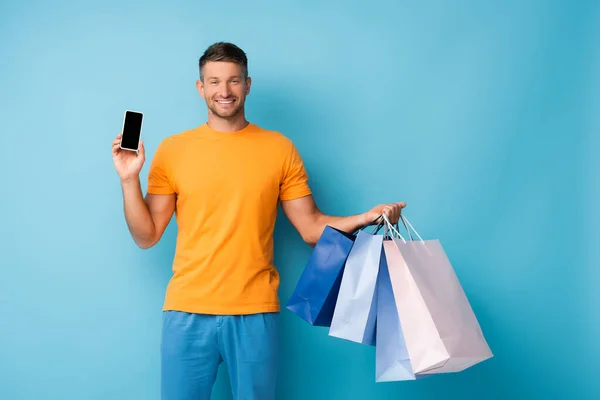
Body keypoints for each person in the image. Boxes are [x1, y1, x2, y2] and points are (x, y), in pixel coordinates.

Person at [111, 42, 406, 400]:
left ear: (247, 85)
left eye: (233, 81)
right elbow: (147, 235)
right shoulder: (174, 150)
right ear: (200, 87)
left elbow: (312, 228)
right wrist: (129, 179)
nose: (224, 91)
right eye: (214, 81)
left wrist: (365, 217)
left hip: (254, 312)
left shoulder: (279, 149)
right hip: (186, 311)